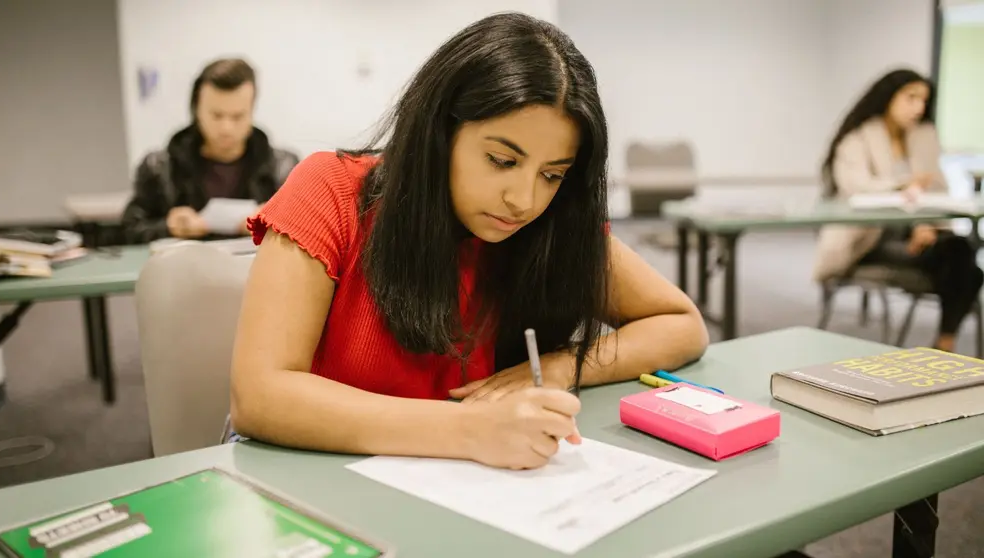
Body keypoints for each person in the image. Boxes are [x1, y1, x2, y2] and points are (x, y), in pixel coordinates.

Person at [228, 13, 709, 470]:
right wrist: (469, 430)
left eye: (552, 174)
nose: (523, 200)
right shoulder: (331, 190)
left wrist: (562, 366)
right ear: (440, 131)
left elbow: (681, 325)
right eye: (502, 161)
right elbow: (259, 397)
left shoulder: (554, 223)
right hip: (317, 482)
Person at [815, 68, 983, 352]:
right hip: (869, 238)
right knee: (966, 266)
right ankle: (945, 345)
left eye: (923, 100)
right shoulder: (858, 138)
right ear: (888, 97)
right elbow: (855, 188)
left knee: (961, 255)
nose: (918, 107)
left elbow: (935, 191)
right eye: (911, 98)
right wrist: (902, 185)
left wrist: (925, 226)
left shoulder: (923, 137)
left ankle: (944, 343)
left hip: (918, 234)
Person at [121, 58, 299, 243]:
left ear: (252, 111)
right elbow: (128, 231)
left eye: (238, 116)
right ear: (196, 110)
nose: (226, 128)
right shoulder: (159, 167)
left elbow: (310, 233)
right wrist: (168, 227)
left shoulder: (284, 167)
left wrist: (275, 223)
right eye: (216, 115)